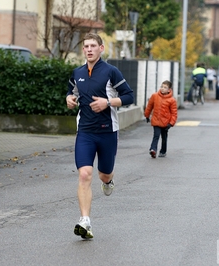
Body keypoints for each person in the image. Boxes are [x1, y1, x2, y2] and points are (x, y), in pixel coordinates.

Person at [66, 33, 134, 239]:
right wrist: (69, 99)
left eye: (93, 46)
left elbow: (129, 96)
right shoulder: (77, 72)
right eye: (86, 46)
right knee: (85, 174)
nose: (89, 49)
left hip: (107, 132)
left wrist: (108, 102)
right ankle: (85, 221)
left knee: (103, 174)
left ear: (101, 48)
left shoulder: (111, 72)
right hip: (85, 132)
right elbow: (72, 92)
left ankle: (108, 181)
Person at [144, 80, 178, 158]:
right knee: (156, 135)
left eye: (165, 87)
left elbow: (174, 113)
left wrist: (171, 123)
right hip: (156, 120)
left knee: (164, 137)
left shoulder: (172, 100)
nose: (162, 88)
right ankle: (153, 149)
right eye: (162, 86)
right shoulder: (154, 96)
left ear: (169, 90)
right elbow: (149, 106)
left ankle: (163, 151)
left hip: (166, 122)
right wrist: (147, 115)